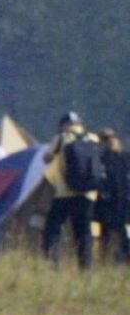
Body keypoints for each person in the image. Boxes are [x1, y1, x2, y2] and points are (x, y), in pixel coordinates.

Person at [42, 111, 103, 268]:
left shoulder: (61, 138)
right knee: (83, 231)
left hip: (65, 192)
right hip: (88, 193)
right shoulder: (93, 138)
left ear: (64, 125)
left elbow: (47, 158)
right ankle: (86, 266)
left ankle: (52, 263)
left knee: (53, 228)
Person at [99, 128, 129, 264]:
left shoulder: (123, 157)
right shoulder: (104, 158)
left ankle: (119, 256)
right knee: (111, 229)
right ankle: (108, 257)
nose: (110, 141)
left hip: (118, 199)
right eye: (106, 138)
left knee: (117, 229)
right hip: (113, 199)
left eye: (111, 137)